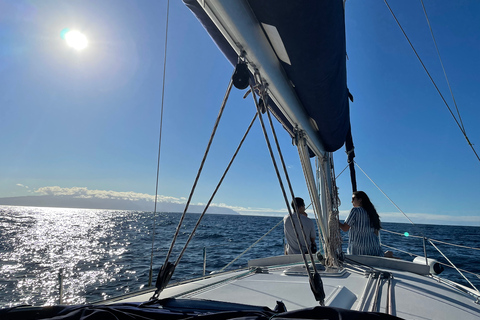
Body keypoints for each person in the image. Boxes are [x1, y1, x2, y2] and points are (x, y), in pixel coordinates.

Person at [339, 191, 384, 256]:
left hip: (358, 252)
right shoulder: (372, 213)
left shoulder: (355, 211)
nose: (352, 201)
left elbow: (345, 228)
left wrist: (336, 221)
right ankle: (388, 254)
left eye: (353, 199)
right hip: (374, 250)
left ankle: (388, 254)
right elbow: (376, 233)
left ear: (360, 200)